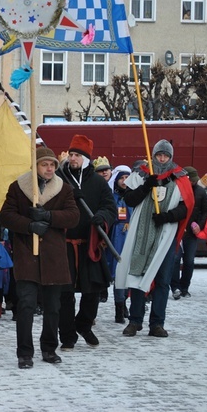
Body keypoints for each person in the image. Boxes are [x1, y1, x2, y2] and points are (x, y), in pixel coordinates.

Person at [0, 146, 79, 369]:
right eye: (45, 164)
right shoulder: (19, 187)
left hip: (54, 258)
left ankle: (49, 348)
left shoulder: (64, 189)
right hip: (27, 255)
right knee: (25, 306)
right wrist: (29, 225)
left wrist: (49, 216)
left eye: (52, 164)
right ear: (35, 166)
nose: (50, 168)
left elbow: (73, 216)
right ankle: (24, 353)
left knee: (53, 307)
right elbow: (5, 216)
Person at [116, 140, 194, 338]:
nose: (162, 158)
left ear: (171, 157)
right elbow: (129, 199)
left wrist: (168, 216)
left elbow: (186, 207)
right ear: (154, 154)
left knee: (162, 280)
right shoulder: (143, 172)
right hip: (141, 234)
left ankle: (157, 323)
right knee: (137, 275)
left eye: (165, 155)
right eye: (159, 154)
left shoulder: (179, 176)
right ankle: (135, 321)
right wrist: (145, 187)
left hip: (165, 235)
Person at [56, 135, 116, 349]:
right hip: (65, 245)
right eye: (71, 154)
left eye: (77, 155)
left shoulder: (98, 182)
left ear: (86, 158)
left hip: (89, 244)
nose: (72, 158)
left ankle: (83, 324)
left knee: (93, 290)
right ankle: (67, 336)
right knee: (65, 293)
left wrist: (102, 216)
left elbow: (111, 208)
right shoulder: (59, 177)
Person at [170, 166, 207, 300]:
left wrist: (200, 225)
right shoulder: (176, 189)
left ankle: (184, 287)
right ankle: (175, 287)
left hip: (192, 233)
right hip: (178, 230)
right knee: (175, 260)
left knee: (189, 261)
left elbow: (206, 211)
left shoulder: (200, 191)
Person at [108, 165, 132, 323]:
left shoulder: (133, 196)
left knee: (129, 273)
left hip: (130, 235)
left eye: (127, 178)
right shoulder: (111, 196)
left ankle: (124, 304)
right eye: (121, 178)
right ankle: (119, 308)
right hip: (116, 236)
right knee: (118, 273)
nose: (124, 181)